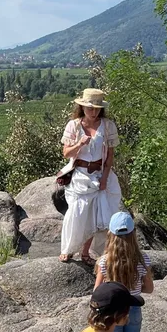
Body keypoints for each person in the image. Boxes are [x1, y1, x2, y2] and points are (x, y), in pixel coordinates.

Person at [59, 88, 123, 266]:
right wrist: (79, 144)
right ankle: (67, 249)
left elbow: (110, 156)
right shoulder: (74, 125)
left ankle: (85, 252)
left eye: (97, 108)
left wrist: (104, 179)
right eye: (90, 108)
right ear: (82, 107)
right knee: (76, 212)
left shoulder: (108, 126)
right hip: (80, 174)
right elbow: (66, 153)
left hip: (100, 173)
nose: (93, 112)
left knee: (95, 215)